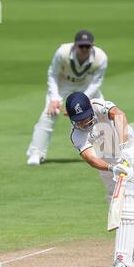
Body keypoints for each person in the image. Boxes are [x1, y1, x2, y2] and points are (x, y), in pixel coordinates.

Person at [66, 92, 134, 267]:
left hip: (133, 153)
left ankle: (122, 260)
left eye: (85, 118)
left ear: (90, 109)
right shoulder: (76, 135)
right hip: (109, 164)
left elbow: (119, 115)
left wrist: (123, 148)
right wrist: (112, 168)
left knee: (129, 200)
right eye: (78, 120)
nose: (82, 123)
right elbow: (90, 158)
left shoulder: (98, 105)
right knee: (116, 205)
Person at [26, 29, 108, 165]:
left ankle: (107, 152)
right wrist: (54, 98)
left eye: (87, 46)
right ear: (75, 45)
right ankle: (36, 153)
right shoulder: (62, 53)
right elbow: (52, 74)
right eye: (81, 46)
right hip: (63, 84)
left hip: (87, 87)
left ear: (92, 46)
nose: (84, 49)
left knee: (102, 113)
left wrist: (83, 99)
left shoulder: (101, 57)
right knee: (49, 114)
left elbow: (96, 82)